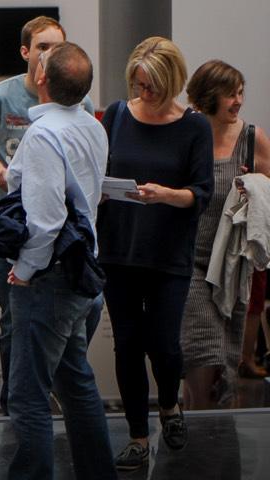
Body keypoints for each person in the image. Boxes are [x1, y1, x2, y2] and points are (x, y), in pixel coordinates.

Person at [0, 41, 117, 480]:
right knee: (76, 381)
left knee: (28, 396)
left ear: (42, 79)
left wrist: (25, 272)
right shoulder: (93, 127)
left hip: (49, 279)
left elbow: (45, 222)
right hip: (83, 273)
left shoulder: (44, 135)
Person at [0, 17, 95, 414]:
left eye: (57, 46)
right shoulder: (0, 97)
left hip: (61, 236)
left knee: (70, 328)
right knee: (13, 319)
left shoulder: (80, 107)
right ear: (25, 52)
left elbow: (57, 202)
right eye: (42, 47)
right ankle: (14, 403)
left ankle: (44, 397)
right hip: (13, 228)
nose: (49, 55)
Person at [96, 36, 214, 469]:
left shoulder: (194, 126)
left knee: (164, 344)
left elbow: (202, 194)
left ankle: (168, 404)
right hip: (118, 249)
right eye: (139, 85)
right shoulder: (116, 114)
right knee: (127, 345)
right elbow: (98, 171)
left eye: (152, 88)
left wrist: (167, 194)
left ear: (172, 83)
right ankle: (138, 436)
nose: (144, 95)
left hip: (167, 255)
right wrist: (100, 194)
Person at [183, 60, 270, 409]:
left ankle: (208, 442)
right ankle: (196, 434)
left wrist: (256, 188)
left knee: (224, 364)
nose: (237, 102)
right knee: (201, 354)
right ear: (207, 98)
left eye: (240, 93)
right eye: (229, 95)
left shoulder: (252, 139)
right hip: (190, 263)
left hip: (232, 268)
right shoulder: (188, 134)